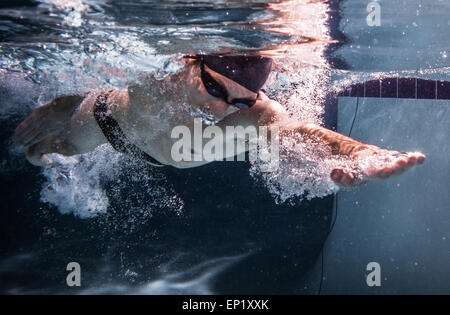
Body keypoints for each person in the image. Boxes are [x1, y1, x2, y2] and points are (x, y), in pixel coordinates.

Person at [14, 55, 425, 187]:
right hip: (111, 123)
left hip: (157, 156)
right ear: (193, 63)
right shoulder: (157, 69)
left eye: (240, 102)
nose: (222, 109)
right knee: (47, 150)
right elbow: (95, 66)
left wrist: (363, 154)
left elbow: (297, 134)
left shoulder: (261, 115)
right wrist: (63, 105)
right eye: (214, 91)